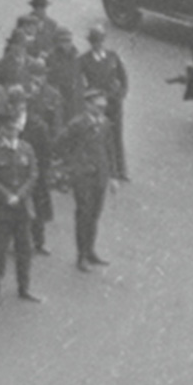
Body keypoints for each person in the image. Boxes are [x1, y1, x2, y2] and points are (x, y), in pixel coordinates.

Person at [0, 107, 42, 305]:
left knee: (24, 249)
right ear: (1, 130)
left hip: (22, 208)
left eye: (15, 128)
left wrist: (21, 195)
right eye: (8, 129)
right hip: (1, 209)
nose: (12, 132)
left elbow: (33, 174)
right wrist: (7, 195)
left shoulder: (27, 148)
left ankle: (24, 287)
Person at [60, 92, 114, 271]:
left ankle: (91, 250)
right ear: (88, 105)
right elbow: (61, 143)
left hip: (100, 175)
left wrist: (112, 176)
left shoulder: (105, 123)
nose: (101, 110)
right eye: (98, 107)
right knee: (84, 214)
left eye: (103, 107)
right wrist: (72, 165)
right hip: (83, 176)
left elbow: (109, 149)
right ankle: (81, 256)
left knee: (95, 214)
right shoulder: (77, 124)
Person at [79, 25, 131, 180]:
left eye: (100, 41)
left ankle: (122, 171)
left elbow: (123, 77)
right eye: (94, 41)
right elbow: (81, 82)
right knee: (99, 137)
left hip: (114, 102)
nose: (97, 44)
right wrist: (89, 97)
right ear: (91, 42)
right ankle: (104, 170)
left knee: (116, 136)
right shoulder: (84, 60)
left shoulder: (112, 56)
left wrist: (122, 94)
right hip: (97, 105)